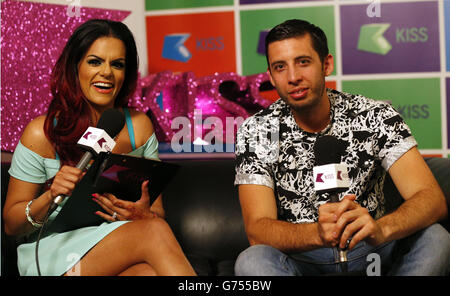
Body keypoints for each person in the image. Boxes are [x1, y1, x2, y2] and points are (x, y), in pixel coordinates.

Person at [234, 19, 450, 276]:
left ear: (326, 64)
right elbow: (257, 230)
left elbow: (432, 200)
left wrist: (382, 229)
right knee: (251, 261)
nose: (293, 77)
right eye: (280, 67)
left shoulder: (375, 116)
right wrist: (317, 233)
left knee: (436, 238)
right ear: (270, 76)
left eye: (303, 62)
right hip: (302, 260)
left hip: (372, 250)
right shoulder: (257, 130)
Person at [3, 19, 196, 276]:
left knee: (147, 271)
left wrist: (141, 214)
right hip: (55, 253)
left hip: (118, 241)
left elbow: (157, 213)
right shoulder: (41, 133)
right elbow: (11, 225)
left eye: (117, 64)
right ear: (75, 67)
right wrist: (50, 196)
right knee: (155, 231)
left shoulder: (139, 127)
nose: (106, 72)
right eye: (95, 61)